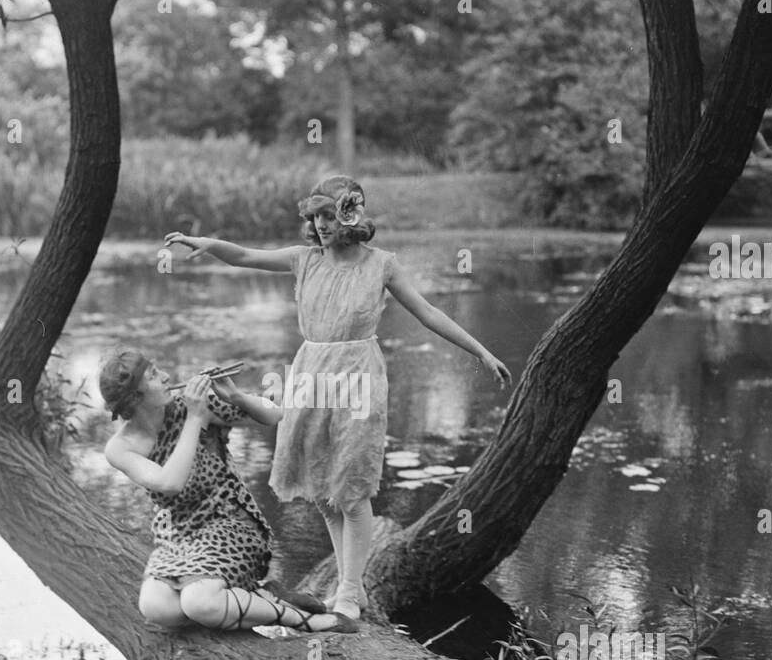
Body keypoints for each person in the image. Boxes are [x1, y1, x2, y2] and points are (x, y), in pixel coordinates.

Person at [163, 175, 512, 619]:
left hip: (358, 380)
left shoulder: (380, 264)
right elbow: (245, 256)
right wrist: (206, 243)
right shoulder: (304, 260)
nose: (321, 224)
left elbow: (428, 313)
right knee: (322, 490)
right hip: (311, 377)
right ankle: (351, 588)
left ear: (351, 214)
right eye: (315, 216)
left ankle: (349, 589)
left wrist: (480, 351)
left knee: (352, 486)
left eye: (329, 215)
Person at [100, 349, 359, 634]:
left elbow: (274, 415)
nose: (164, 376)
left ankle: (304, 620)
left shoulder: (194, 406)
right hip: (178, 535)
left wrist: (237, 397)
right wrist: (194, 419)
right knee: (157, 609)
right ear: (134, 397)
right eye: (152, 375)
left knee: (199, 603)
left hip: (230, 522)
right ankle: (262, 597)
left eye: (157, 368)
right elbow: (169, 483)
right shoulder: (120, 447)